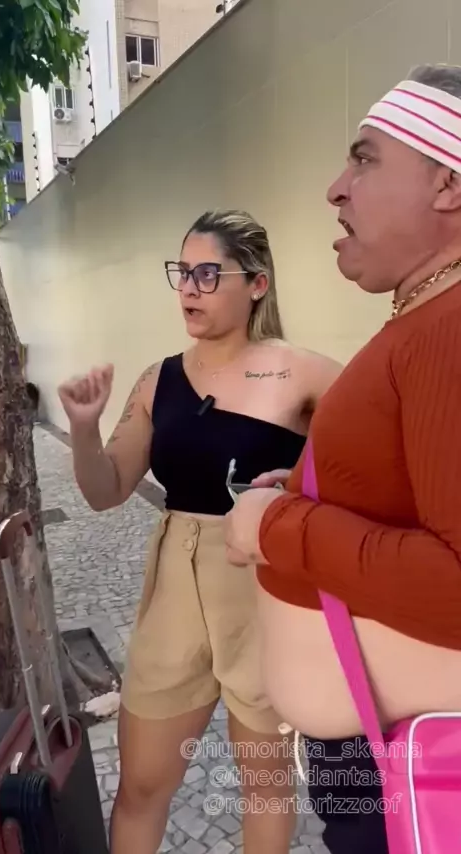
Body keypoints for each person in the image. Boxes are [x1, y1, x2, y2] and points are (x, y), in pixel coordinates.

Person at [225, 64, 461, 854]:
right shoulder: (428, 313)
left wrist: (276, 528)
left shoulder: (451, 327)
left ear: (448, 183)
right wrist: (302, 490)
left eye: (364, 160)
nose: (336, 188)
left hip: (406, 767)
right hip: (378, 755)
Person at [57, 209, 341, 854]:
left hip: (265, 588)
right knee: (141, 784)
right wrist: (83, 427)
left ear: (257, 283)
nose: (188, 287)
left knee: (265, 789)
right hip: (175, 587)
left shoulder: (305, 373)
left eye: (208, 274)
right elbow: (105, 491)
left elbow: (368, 464)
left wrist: (302, 490)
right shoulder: (157, 380)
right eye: (182, 273)